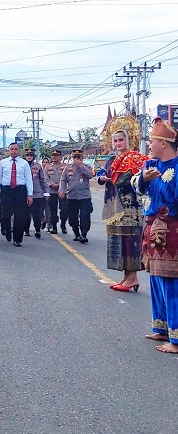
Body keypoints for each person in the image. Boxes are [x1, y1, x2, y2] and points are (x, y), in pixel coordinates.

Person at [135, 116, 178, 353]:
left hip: (172, 229)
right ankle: (161, 326)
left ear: (163, 143)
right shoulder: (149, 165)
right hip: (152, 227)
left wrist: (157, 181)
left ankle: (176, 338)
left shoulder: (177, 168)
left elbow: (172, 196)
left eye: (151, 140)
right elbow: (135, 187)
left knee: (172, 282)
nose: (149, 144)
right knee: (155, 278)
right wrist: (143, 179)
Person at [98, 120, 147, 292]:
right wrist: (102, 178)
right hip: (115, 206)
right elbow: (103, 174)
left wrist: (114, 180)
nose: (118, 143)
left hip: (130, 207)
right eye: (116, 140)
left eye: (121, 139)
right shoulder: (112, 159)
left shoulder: (135, 157)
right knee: (120, 242)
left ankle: (133, 278)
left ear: (129, 140)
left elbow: (132, 180)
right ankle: (126, 277)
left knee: (130, 241)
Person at [0, 143, 33, 247]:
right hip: (6, 190)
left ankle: (17, 239)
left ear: (19, 151)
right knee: (5, 215)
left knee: (20, 216)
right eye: (12, 149)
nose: (14, 151)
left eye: (16, 149)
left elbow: (29, 179)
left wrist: (30, 195)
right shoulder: (3, 163)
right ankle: (7, 229)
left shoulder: (24, 163)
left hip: (20, 190)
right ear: (8, 151)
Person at [60, 150, 93, 243]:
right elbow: (63, 180)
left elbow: (90, 175)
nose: (76, 159)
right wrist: (62, 190)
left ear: (82, 158)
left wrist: (80, 166)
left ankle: (84, 233)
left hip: (84, 196)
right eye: (75, 157)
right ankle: (76, 233)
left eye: (78, 157)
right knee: (72, 217)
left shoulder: (86, 167)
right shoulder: (67, 168)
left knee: (85, 215)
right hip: (72, 196)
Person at [23, 148, 49, 239]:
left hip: (37, 194)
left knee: (36, 214)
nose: (29, 157)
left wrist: (46, 191)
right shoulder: (22, 165)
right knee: (25, 213)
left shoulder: (38, 166)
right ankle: (26, 230)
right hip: (25, 193)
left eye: (31, 155)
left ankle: (37, 230)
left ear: (33, 157)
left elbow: (42, 179)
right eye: (27, 155)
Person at [45, 149, 68, 234]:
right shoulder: (48, 167)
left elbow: (67, 178)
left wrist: (60, 185)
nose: (54, 157)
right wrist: (52, 185)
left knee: (64, 210)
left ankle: (63, 224)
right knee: (52, 211)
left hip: (62, 191)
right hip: (52, 191)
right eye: (53, 155)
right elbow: (45, 178)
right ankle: (54, 227)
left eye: (56, 155)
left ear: (60, 157)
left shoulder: (65, 167)